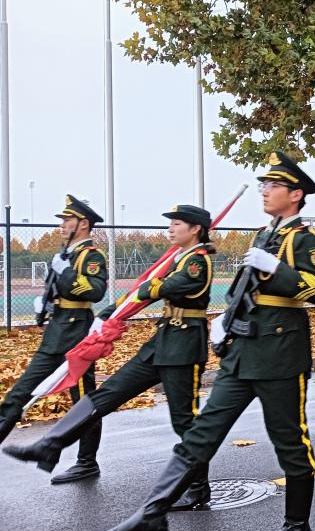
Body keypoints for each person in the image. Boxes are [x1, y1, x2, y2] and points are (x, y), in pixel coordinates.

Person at [94, 152, 315, 531]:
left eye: (273, 185)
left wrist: (277, 269)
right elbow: (244, 289)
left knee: (290, 443)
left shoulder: (303, 238)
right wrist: (225, 318)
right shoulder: (263, 235)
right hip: (242, 352)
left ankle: (297, 528)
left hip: (280, 354)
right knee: (202, 431)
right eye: (263, 185)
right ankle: (152, 512)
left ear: (295, 194)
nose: (264, 191)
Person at [5, 205, 214, 508]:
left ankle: (198, 488)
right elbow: (137, 294)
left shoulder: (198, 260)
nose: (170, 228)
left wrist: (150, 286)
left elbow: (166, 287)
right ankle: (49, 445)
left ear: (195, 229)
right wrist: (107, 314)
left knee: (184, 421)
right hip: (161, 342)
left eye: (177, 223)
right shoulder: (176, 259)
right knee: (105, 395)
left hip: (184, 347)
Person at [0, 196, 107, 483]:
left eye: (67, 220)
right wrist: (45, 303)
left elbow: (95, 291)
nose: (61, 225)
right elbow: (55, 289)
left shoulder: (91, 256)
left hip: (78, 334)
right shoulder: (64, 254)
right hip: (56, 331)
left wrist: (67, 273)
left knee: (83, 402)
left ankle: (87, 462)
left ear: (83, 224)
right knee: (20, 392)